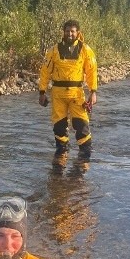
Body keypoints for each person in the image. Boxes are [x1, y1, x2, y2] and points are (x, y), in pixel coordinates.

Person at [38, 19, 98, 159]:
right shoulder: (53, 50)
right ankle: (61, 156)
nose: (69, 34)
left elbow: (91, 71)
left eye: (72, 31)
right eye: (67, 31)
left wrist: (93, 92)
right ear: (63, 33)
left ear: (78, 33)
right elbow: (45, 71)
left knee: (81, 124)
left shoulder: (85, 50)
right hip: (58, 94)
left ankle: (84, 160)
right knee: (59, 126)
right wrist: (42, 91)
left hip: (77, 93)